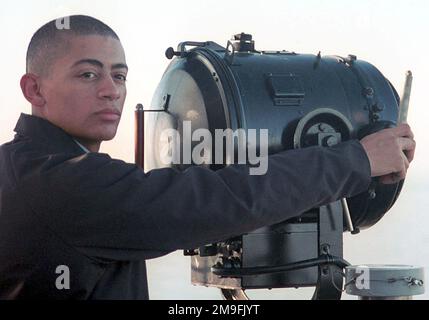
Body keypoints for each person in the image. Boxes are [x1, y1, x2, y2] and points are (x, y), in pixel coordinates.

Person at [0, 15, 415, 300]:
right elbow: (217, 199)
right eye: (88, 74)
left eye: (120, 75)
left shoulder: (16, 165)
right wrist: (357, 160)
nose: (111, 90)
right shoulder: (57, 182)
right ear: (34, 89)